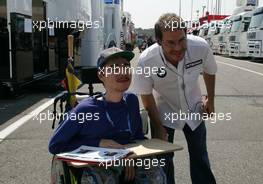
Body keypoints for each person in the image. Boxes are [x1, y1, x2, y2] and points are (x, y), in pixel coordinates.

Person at [49, 47, 166, 183]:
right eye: (115, 67)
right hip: (97, 166)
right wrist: (98, 143)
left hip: (128, 160)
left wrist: (131, 156)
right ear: (101, 75)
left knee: (155, 173)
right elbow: (55, 145)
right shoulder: (86, 110)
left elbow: (137, 138)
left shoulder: (131, 101)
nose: (123, 71)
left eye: (126, 66)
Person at [132, 13, 217, 184]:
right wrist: (157, 125)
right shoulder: (147, 60)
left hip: (194, 107)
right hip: (163, 110)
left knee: (200, 155)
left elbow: (210, 71)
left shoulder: (200, 47)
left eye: (181, 40)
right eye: (171, 42)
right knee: (163, 159)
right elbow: (146, 95)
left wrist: (211, 100)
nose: (178, 48)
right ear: (158, 41)